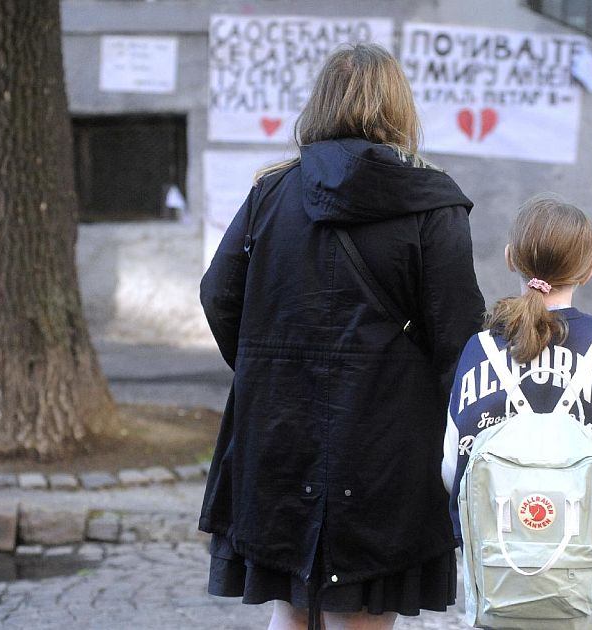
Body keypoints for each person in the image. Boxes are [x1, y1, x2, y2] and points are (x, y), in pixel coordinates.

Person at [199, 43, 485, 630]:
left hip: (278, 422)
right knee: (367, 609)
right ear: (399, 109)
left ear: (320, 105)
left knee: (292, 607)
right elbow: (458, 333)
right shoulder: (431, 202)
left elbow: (218, 296)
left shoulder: (271, 194)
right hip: (388, 435)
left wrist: (264, 364)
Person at [441, 193, 592, 551]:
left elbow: (452, 464)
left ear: (510, 258)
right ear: (589, 271)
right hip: (587, 533)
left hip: (496, 534)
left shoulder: (480, 350)